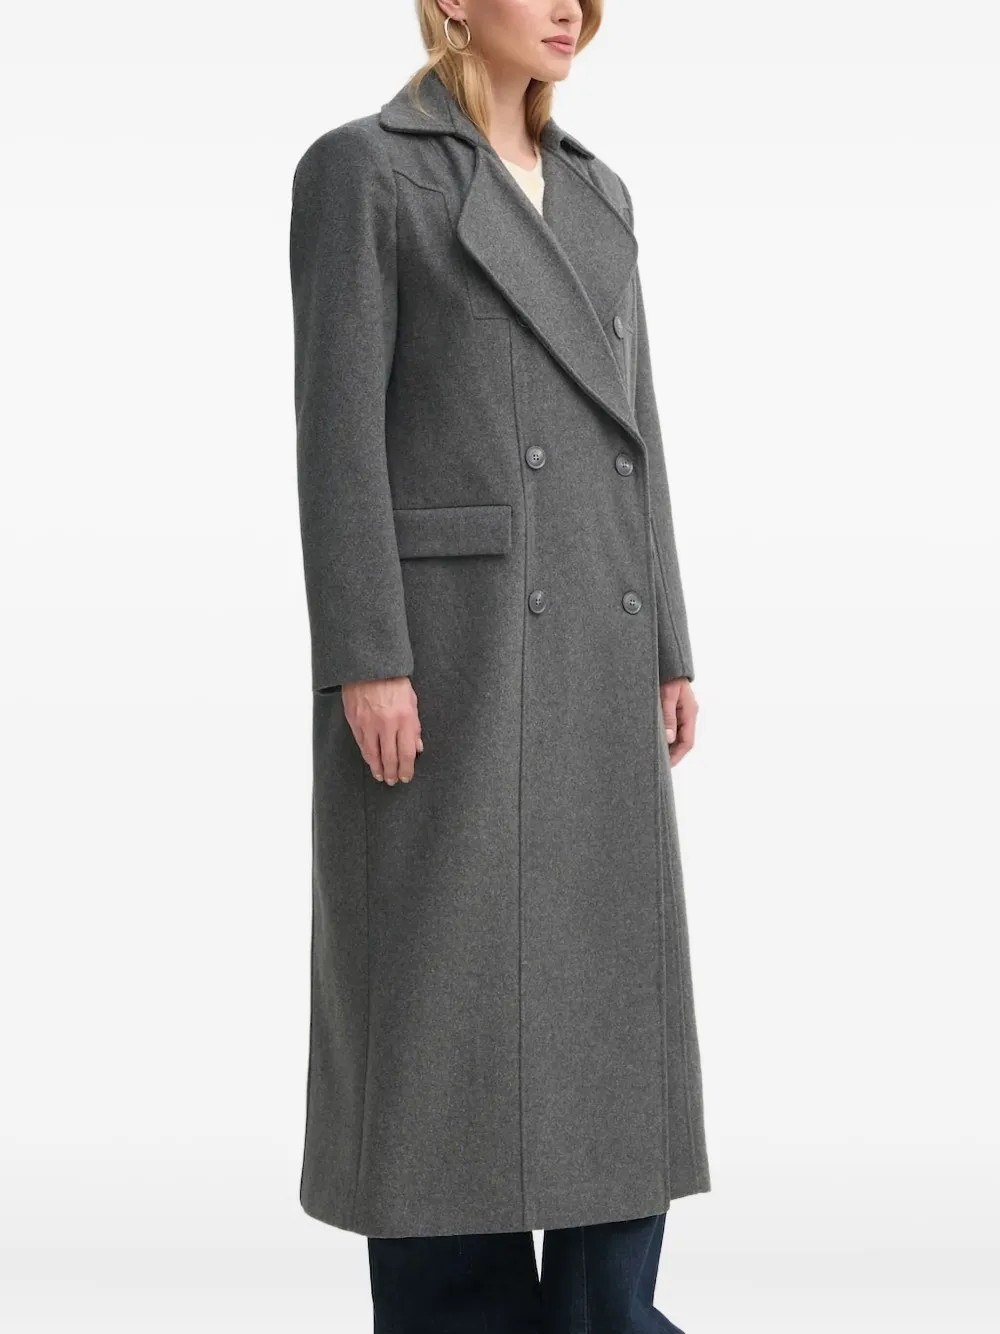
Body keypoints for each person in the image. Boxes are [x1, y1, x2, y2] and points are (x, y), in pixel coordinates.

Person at [288, 2, 711, 1329]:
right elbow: (338, 428)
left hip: (598, 641)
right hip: (451, 658)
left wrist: (668, 639)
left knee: (604, 1007)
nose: (568, 7)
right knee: (442, 1013)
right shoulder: (365, 170)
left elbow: (636, 433)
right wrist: (367, 653)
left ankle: (606, 1314)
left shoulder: (599, 192)